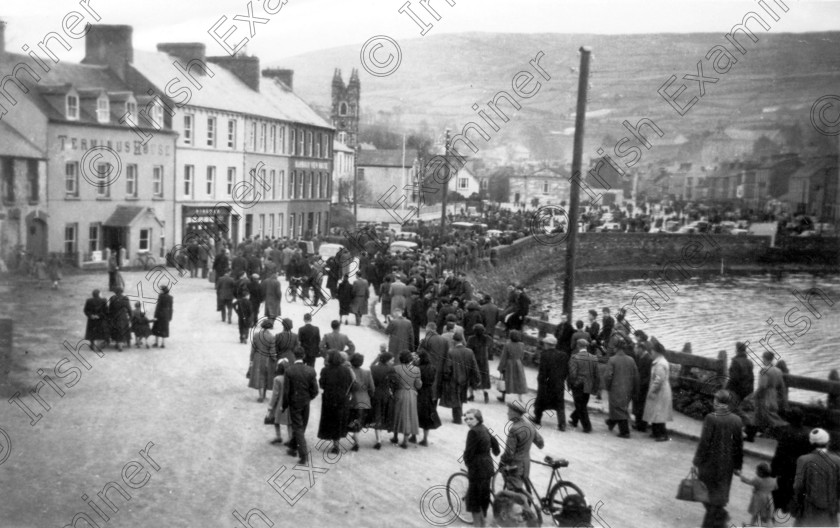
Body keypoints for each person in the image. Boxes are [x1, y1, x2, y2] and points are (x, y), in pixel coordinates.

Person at [692, 390, 744, 528]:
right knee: (718, 496)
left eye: (715, 401)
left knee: (707, 495)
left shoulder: (711, 418)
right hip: (727, 466)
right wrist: (738, 466)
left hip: (709, 464)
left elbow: (704, 442)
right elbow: (739, 446)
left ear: (718, 402)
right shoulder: (737, 420)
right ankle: (720, 516)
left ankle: (717, 520)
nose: (713, 403)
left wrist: (696, 462)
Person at [792, 428, 840, 527]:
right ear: (828, 442)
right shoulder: (837, 460)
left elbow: (798, 486)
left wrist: (796, 503)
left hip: (808, 507)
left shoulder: (803, 460)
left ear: (811, 442)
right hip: (830, 508)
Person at [463, 408, 501, 527]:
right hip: (488, 467)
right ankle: (483, 523)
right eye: (466, 419)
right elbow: (495, 444)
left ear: (478, 419)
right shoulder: (484, 428)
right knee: (483, 498)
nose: (468, 421)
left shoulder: (473, 432)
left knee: (474, 501)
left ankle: (478, 525)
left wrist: (468, 464)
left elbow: (468, 453)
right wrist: (494, 452)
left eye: (471, 419)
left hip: (477, 469)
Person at [771, 408, 813, 514]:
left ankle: (778, 506)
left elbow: (779, 451)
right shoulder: (807, 433)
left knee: (781, 485)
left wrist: (773, 468)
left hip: (785, 464)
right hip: (799, 465)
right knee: (792, 486)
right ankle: (788, 506)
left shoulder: (786, 431)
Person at [282, 346, 319, 465]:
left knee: (298, 427)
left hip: (294, 402)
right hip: (305, 402)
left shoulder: (289, 370)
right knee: (302, 425)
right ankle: (293, 447)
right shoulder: (311, 370)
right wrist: (309, 398)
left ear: (294, 356)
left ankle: (303, 455)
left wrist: (284, 405)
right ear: (303, 356)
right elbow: (315, 390)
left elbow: (286, 391)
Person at [500, 401, 544, 488]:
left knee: (513, 493)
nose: (507, 413)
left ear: (515, 413)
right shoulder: (530, 426)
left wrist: (502, 461)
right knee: (521, 489)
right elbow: (541, 444)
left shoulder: (514, 429)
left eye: (510, 411)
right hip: (526, 464)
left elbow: (509, 452)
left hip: (515, 466)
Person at [318, 350, 354, 455]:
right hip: (342, 398)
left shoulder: (325, 370)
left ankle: (333, 442)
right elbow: (351, 383)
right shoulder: (346, 370)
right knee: (339, 420)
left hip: (329, 398)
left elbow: (321, 384)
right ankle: (336, 443)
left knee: (330, 420)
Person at [747, 351, 788, 442]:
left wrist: (754, 395)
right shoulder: (778, 371)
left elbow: (762, 386)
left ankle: (785, 429)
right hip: (773, 394)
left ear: (765, 358)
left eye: (763, 358)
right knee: (759, 416)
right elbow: (781, 386)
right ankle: (750, 436)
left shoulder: (764, 370)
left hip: (764, 396)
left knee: (767, 416)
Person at [604, 337, 640, 438]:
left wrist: (608, 386)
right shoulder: (631, 360)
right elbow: (636, 376)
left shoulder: (612, 360)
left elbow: (607, 376)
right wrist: (635, 390)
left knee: (618, 409)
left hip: (615, 388)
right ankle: (611, 422)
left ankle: (625, 432)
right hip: (628, 389)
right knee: (621, 407)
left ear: (616, 348)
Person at [440, 333, 480, 425]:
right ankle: (458, 416)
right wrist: (477, 378)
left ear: (453, 341)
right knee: (461, 397)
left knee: (455, 398)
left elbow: (448, 367)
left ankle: (457, 418)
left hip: (454, 378)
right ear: (462, 340)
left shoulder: (450, 352)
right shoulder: (469, 352)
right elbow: (474, 366)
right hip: (465, 378)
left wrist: (445, 377)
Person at [534, 335, 569, 431]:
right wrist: (562, 379)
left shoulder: (544, 354)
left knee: (540, 401)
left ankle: (537, 419)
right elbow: (566, 370)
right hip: (558, 383)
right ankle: (562, 424)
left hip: (546, 383)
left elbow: (543, 371)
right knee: (559, 404)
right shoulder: (564, 355)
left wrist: (540, 381)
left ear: (547, 344)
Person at [644, 339, 674, 442]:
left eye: (652, 351)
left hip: (661, 391)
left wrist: (652, 391)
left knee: (659, 413)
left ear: (656, 352)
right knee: (656, 412)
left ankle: (663, 434)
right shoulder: (660, 361)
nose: (650, 353)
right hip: (661, 390)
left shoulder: (660, 364)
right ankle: (656, 432)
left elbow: (659, 380)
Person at [391, 351, 422, 449]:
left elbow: (393, 383)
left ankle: (395, 437)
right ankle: (405, 441)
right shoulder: (416, 369)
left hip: (399, 393)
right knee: (409, 416)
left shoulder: (395, 368)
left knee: (397, 414)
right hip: (411, 394)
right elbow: (418, 385)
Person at [568, 338, 599, 434]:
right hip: (588, 384)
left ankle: (587, 426)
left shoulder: (575, 357)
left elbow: (573, 374)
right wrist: (595, 387)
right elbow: (596, 374)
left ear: (578, 346)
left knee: (580, 405)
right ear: (586, 346)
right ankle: (574, 419)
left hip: (578, 384)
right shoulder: (593, 358)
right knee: (582, 403)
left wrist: (571, 384)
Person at [370, 351, 397, 450]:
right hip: (386, 394)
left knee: (377, 415)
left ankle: (378, 440)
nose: (393, 361)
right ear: (387, 360)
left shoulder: (373, 368)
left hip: (376, 394)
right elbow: (394, 382)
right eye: (392, 360)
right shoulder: (391, 369)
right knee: (385, 414)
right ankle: (392, 435)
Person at [348, 353, 375, 451]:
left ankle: (356, 441)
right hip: (364, 400)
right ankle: (356, 439)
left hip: (352, 400)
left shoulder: (349, 372)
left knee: (353, 422)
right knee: (358, 421)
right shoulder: (367, 373)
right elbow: (372, 388)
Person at [739, 463, 777, 527]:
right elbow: (775, 487)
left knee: (755, 515)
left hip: (759, 499)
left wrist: (740, 475)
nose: (756, 472)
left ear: (761, 473)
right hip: (768, 499)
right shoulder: (773, 480)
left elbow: (748, 481)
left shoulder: (757, 480)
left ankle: (751, 525)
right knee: (768, 517)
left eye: (757, 471)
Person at [416, 351, 441, 446]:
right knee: (427, 416)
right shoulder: (433, 368)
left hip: (420, 392)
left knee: (416, 414)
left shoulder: (418, 368)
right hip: (429, 392)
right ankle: (425, 439)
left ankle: (413, 436)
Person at [248, 319, 276, 402]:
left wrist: (251, 359)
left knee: (259, 375)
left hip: (257, 357)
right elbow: (272, 351)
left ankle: (260, 395)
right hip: (267, 358)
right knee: (265, 376)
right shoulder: (271, 337)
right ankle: (263, 394)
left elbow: (253, 349)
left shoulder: (256, 335)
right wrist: (274, 359)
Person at [497, 330, 528, 403]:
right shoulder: (522, 345)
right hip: (518, 363)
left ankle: (503, 397)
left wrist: (501, 367)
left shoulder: (507, 344)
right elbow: (522, 356)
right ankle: (520, 397)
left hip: (509, 364)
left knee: (505, 379)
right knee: (519, 380)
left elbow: (504, 357)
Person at [267, 358, 291, 446]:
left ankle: (278, 436)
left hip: (279, 403)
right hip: (288, 403)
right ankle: (290, 437)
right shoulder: (290, 377)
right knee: (289, 422)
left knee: (275, 419)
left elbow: (275, 394)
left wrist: (270, 406)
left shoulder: (277, 379)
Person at [467, 324, 493, 405]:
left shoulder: (471, 339)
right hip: (484, 361)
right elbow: (490, 348)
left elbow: (468, 349)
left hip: (474, 360)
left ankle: (471, 395)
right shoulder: (488, 338)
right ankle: (485, 392)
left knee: (471, 377)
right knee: (484, 378)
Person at [633, 338, 653, 432]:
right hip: (639, 385)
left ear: (641, 349)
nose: (636, 351)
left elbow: (648, 375)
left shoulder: (648, 359)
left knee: (642, 406)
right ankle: (638, 424)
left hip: (643, 386)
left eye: (637, 349)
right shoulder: (640, 357)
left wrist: (641, 384)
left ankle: (642, 425)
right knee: (638, 405)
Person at [107, 287, 132, 351]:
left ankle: (117, 343)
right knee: (123, 329)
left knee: (116, 330)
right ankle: (121, 344)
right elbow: (129, 308)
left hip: (115, 316)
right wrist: (131, 316)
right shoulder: (125, 298)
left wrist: (109, 317)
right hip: (123, 316)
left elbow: (110, 309)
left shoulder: (113, 298)